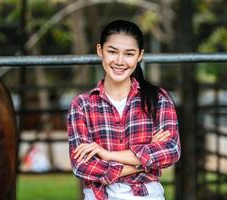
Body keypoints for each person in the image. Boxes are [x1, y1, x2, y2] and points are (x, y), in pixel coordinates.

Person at [67, 19, 180, 200]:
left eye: (129, 54)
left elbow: (171, 151)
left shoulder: (158, 99)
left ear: (139, 55)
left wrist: (107, 154)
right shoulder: (82, 105)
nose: (119, 61)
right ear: (99, 50)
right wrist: (145, 161)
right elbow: (82, 166)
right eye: (112, 52)